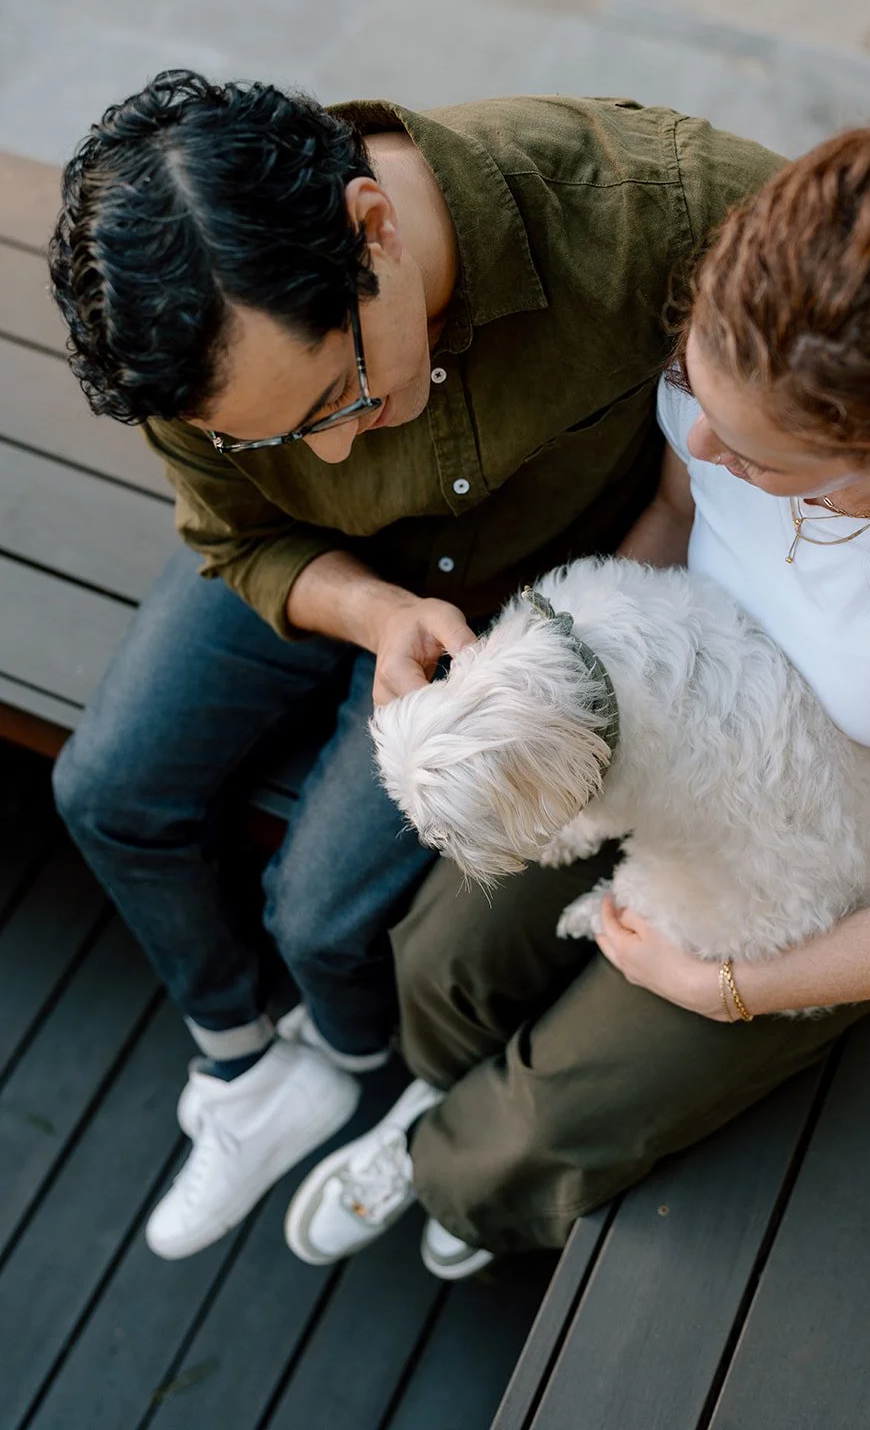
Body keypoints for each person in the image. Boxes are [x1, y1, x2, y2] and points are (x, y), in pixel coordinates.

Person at [280, 115, 870, 1282]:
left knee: (557, 1114)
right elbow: (671, 518)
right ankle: (428, 1101)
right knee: (440, 956)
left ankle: (462, 1182)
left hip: (848, 814)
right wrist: (547, 679)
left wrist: (723, 988)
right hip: (679, 685)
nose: (701, 438)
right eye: (695, 386)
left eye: (757, 454)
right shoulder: (731, 375)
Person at [46, 70, 783, 1260]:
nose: (331, 447)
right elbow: (242, 536)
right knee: (103, 791)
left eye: (339, 393)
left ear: (371, 226)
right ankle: (243, 1065)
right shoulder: (174, 333)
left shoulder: (664, 209)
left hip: (522, 611)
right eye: (271, 434)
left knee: (324, 910)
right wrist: (372, 608)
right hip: (324, 579)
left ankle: (335, 1060)